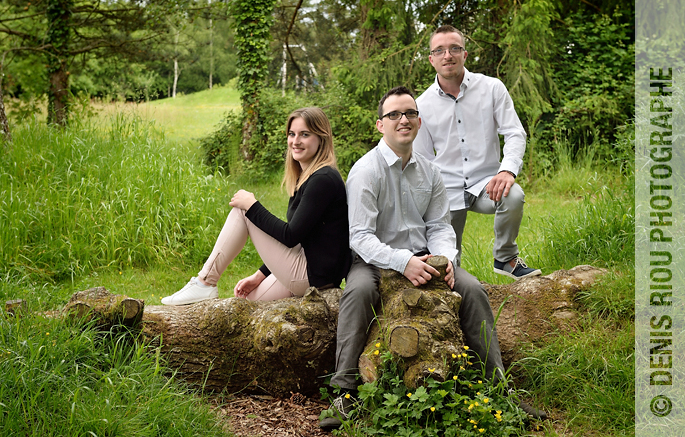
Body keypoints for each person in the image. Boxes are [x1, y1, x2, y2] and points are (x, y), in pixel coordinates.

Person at [319, 87, 546, 431]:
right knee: (358, 292)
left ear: (419, 121)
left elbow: (440, 225)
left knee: (473, 289)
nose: (403, 120)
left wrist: (445, 260)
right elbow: (360, 237)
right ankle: (345, 392)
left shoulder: (430, 171)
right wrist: (402, 262)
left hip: (426, 258)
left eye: (410, 113)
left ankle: (498, 388)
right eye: (394, 114)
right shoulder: (366, 170)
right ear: (380, 125)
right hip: (374, 260)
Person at [162, 107, 351, 305]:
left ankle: (205, 282)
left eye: (305, 134)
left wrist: (252, 206)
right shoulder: (309, 177)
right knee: (249, 302)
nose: (296, 141)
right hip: (313, 270)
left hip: (313, 277)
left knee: (242, 210)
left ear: (322, 137)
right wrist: (260, 275)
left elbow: (291, 236)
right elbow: (303, 237)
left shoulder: (323, 179)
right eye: (292, 134)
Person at [414, 25, 541, 280]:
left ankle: (505, 258)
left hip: (487, 183)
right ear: (431, 59)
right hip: (445, 189)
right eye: (439, 50)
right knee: (447, 267)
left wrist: (507, 170)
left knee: (513, 195)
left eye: (454, 48)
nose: (447, 55)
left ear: (465, 54)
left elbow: (515, 132)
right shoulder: (421, 105)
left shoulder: (492, 88)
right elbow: (423, 160)